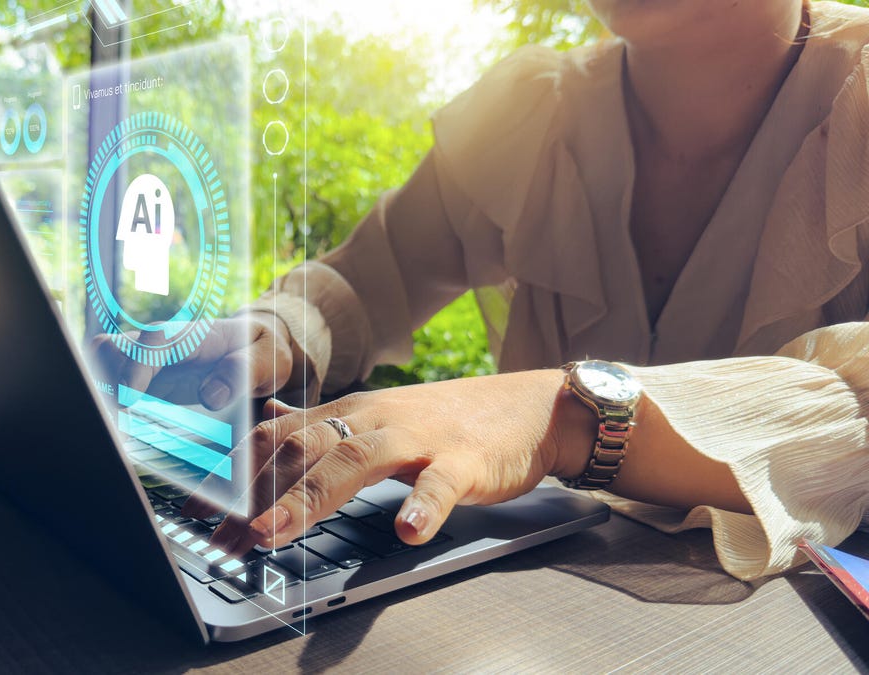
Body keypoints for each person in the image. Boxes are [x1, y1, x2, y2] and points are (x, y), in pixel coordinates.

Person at [127, 0, 869, 580]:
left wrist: (560, 416)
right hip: (533, 616)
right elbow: (365, 276)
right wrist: (278, 332)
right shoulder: (534, 113)